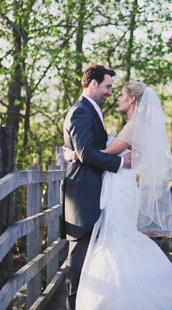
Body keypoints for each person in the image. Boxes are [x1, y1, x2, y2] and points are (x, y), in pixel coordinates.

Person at [67, 81, 172, 310]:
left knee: (119, 239)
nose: (118, 99)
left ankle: (123, 297)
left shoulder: (135, 125)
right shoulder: (136, 124)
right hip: (123, 187)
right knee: (121, 237)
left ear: (132, 100)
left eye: (122, 95)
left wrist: (74, 154)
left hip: (121, 189)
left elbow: (103, 154)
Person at [62, 65, 132, 310]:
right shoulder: (80, 112)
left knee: (94, 263)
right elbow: (86, 152)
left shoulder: (92, 111)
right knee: (78, 266)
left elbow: (86, 151)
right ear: (92, 84)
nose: (110, 92)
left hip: (97, 196)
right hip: (83, 199)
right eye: (107, 86)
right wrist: (121, 162)